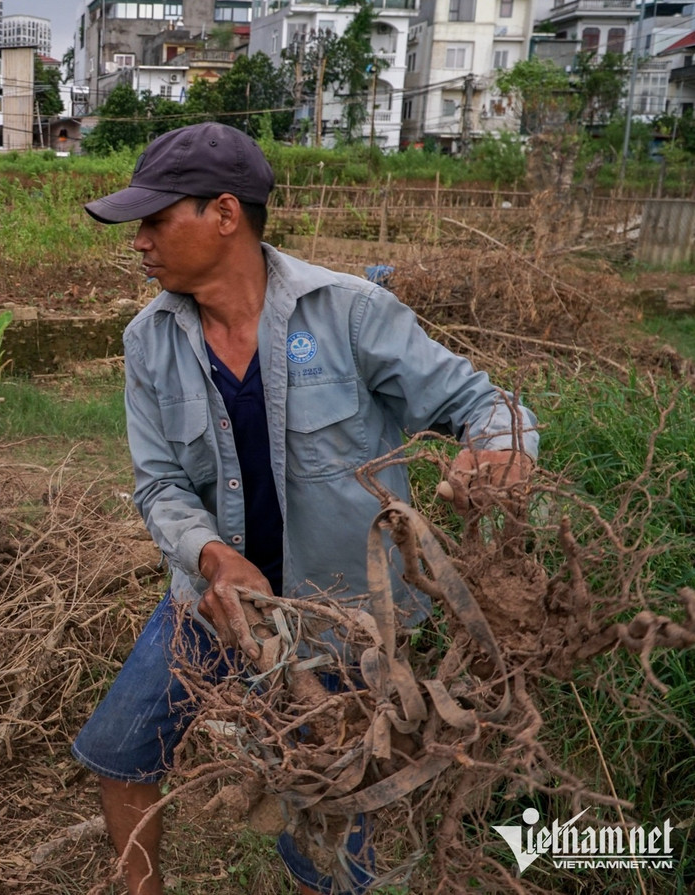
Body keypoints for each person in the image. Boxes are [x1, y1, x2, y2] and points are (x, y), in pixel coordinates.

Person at [70, 122, 538, 895]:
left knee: (333, 800)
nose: (140, 241)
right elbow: (158, 485)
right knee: (120, 754)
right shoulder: (148, 340)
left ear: (224, 214)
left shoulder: (350, 314)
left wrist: (499, 453)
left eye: (156, 220)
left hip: (345, 616)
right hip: (218, 602)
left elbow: (483, 405)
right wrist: (213, 557)